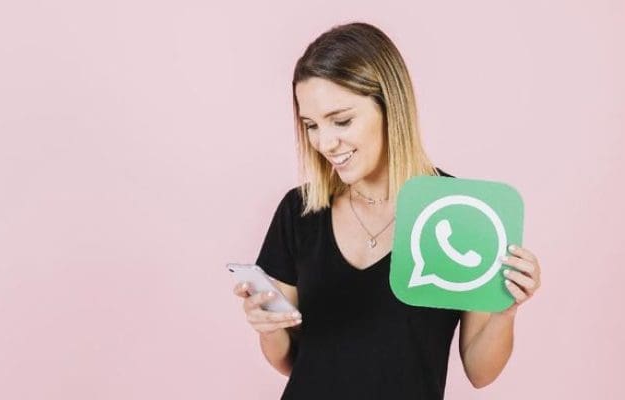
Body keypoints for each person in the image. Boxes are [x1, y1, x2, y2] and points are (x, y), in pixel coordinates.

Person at [232, 21, 542, 399]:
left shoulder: (458, 213)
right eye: (311, 125)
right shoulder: (299, 211)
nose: (325, 143)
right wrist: (268, 328)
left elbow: (480, 371)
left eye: (341, 120)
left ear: (390, 107)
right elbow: (291, 360)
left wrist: (506, 310)